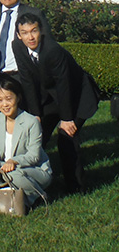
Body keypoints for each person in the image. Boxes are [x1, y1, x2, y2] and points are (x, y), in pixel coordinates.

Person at [13, 13, 99, 193]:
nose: (30, 37)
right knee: (35, 133)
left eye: (34, 31)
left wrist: (67, 119)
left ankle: (76, 187)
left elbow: (64, 85)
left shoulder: (53, 50)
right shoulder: (18, 47)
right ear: (19, 35)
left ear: (41, 31)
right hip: (50, 96)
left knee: (66, 137)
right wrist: (35, 114)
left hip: (77, 94)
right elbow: (27, 80)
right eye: (25, 33)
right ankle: (32, 182)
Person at [0, 78, 52, 207]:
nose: (5, 104)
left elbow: (34, 156)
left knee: (13, 174)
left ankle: (39, 196)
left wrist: (14, 161)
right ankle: (18, 197)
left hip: (33, 170)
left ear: (18, 98)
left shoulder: (31, 122)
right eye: (0, 100)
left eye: (9, 99)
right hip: (7, 168)